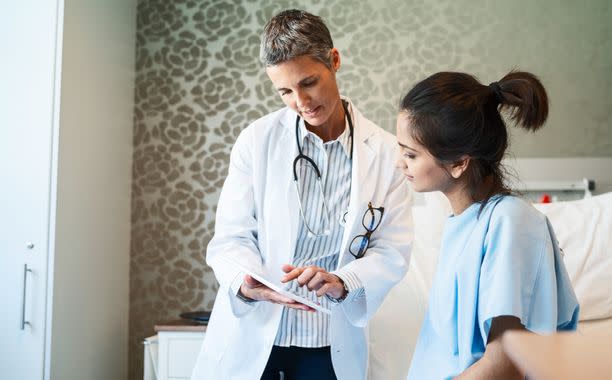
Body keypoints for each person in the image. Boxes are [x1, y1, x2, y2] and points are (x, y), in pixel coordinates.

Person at [191, 9, 413, 380]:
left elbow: (393, 249)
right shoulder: (256, 141)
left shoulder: (388, 153)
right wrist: (248, 284)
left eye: (309, 82)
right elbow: (230, 238)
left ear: (335, 61)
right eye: (285, 91)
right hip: (261, 334)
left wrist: (344, 281)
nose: (300, 101)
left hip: (330, 342)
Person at [396, 71, 580, 379]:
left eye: (410, 154)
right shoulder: (462, 223)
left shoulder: (511, 222)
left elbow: (506, 364)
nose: (399, 162)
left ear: (458, 163)